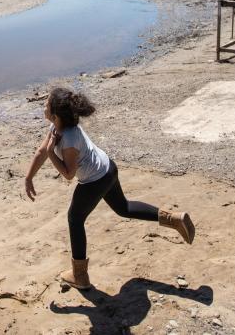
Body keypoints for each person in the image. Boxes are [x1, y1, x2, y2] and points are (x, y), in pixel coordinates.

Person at [24, 87, 194, 290]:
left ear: (55, 114)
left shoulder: (68, 138)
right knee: (124, 208)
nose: (43, 106)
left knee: (74, 220)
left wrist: (52, 154)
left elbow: (68, 174)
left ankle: (80, 276)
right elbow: (41, 150)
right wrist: (29, 177)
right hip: (108, 168)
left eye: (46, 104)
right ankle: (174, 219)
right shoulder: (58, 128)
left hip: (95, 181)